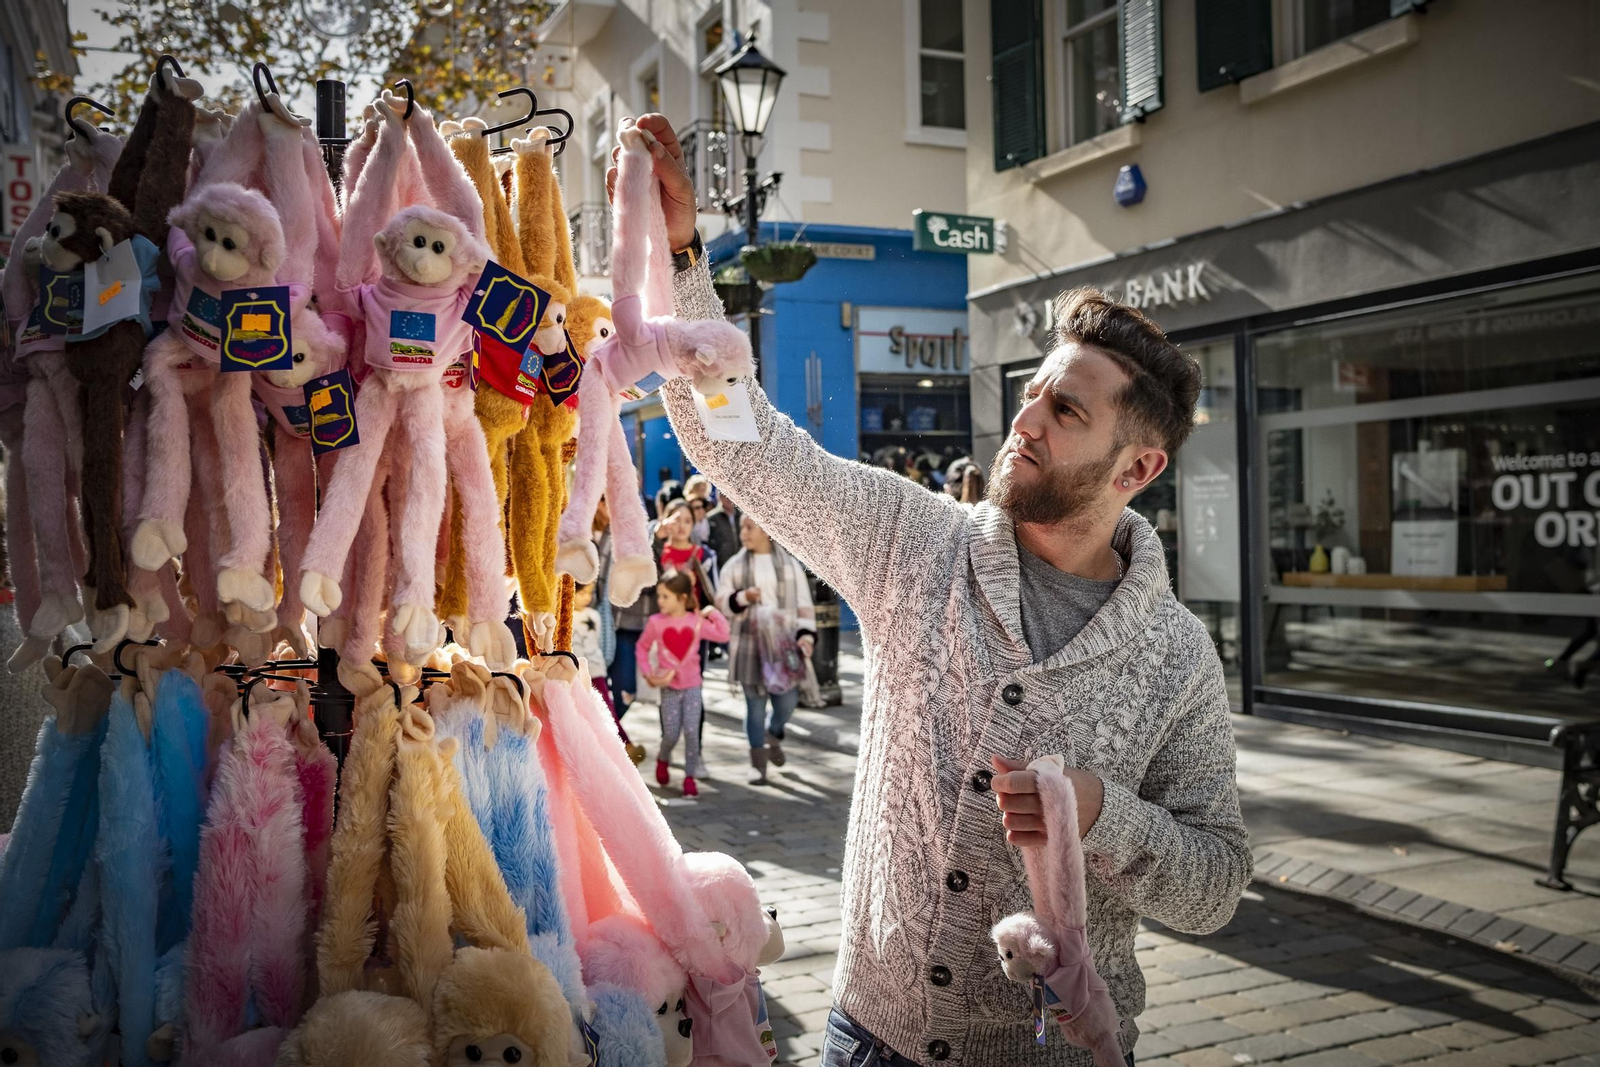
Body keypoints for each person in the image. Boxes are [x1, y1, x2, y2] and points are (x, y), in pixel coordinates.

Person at [607, 112, 1249, 1066]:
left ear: (1138, 467)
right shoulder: (915, 541)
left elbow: (1217, 883)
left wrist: (1099, 807)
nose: (1024, 419)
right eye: (1034, 389)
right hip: (870, 1036)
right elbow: (742, 444)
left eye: (1065, 409)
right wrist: (684, 258)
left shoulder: (1175, 656)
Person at [716, 515, 817, 784]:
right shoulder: (735, 566)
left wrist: (806, 636)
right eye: (741, 528)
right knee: (755, 704)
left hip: (784, 647)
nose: (744, 533)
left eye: (750, 527)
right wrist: (742, 598)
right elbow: (722, 601)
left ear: (766, 530)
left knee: (787, 701)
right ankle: (757, 764)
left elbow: (804, 604)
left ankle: (775, 731)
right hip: (750, 645)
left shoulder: (790, 565)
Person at [636, 571, 730, 798]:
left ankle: (689, 777)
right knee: (670, 734)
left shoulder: (696, 622)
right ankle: (663, 758)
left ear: (682, 598)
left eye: (665, 596)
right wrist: (648, 673)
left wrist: (712, 612)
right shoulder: (655, 623)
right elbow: (642, 648)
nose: (660, 601)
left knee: (691, 732)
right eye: (659, 596)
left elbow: (723, 635)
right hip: (668, 688)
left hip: (693, 687)